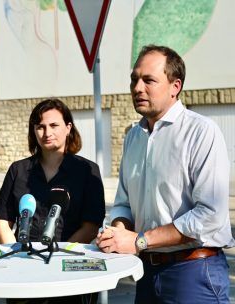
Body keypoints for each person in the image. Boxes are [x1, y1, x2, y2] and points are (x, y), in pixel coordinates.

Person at [96, 45, 235, 303]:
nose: (137, 88)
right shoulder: (133, 137)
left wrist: (138, 241)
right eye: (134, 79)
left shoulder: (201, 132)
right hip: (145, 272)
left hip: (194, 273)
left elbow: (210, 216)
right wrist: (118, 235)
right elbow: (124, 204)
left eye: (149, 80)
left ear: (175, 86)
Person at [0, 98, 105, 304]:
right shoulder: (18, 170)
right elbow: (3, 221)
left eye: (54, 125)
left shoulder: (87, 171)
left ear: (68, 128)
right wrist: (16, 257)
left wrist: (57, 257)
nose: (47, 133)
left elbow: (90, 227)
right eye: (40, 127)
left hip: (68, 273)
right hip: (23, 274)